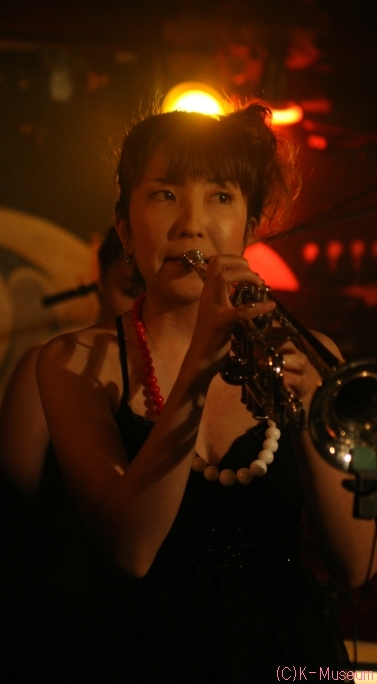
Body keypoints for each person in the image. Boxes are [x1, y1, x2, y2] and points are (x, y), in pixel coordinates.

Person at [36, 104, 377, 682]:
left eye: (220, 196)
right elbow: (130, 550)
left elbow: (356, 563)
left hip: (286, 654)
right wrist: (200, 363)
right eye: (165, 194)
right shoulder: (70, 362)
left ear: (250, 227)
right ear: (125, 229)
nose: (191, 223)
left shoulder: (314, 353)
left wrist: (307, 414)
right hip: (139, 652)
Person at [0, 225, 141, 493]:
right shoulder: (44, 364)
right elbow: (9, 499)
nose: (141, 308)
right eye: (131, 290)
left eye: (157, 295)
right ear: (101, 279)